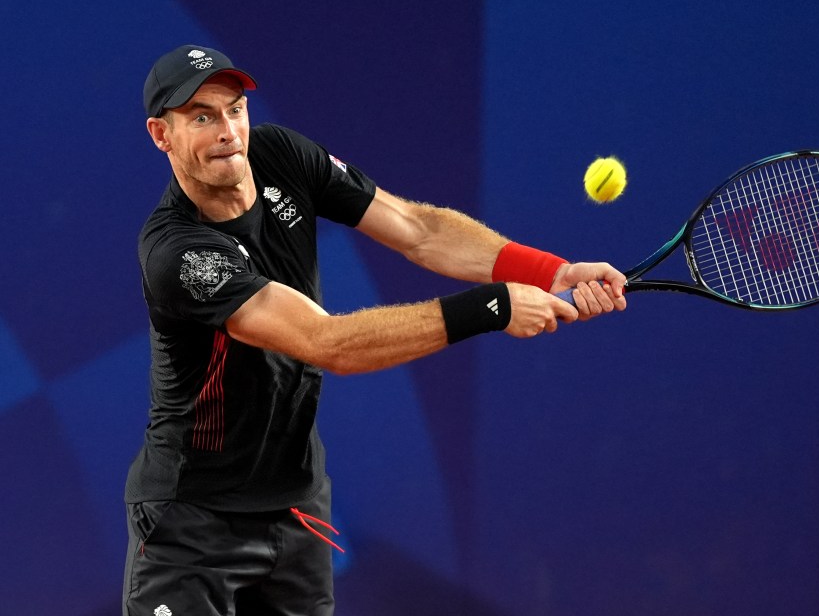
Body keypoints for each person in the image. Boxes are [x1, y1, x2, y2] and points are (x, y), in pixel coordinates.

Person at [123, 44, 626, 616]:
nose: (228, 131)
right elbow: (326, 343)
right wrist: (490, 309)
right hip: (192, 525)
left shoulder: (281, 154)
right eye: (201, 117)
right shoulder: (177, 252)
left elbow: (417, 229)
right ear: (161, 135)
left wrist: (550, 271)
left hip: (297, 509)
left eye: (235, 109)